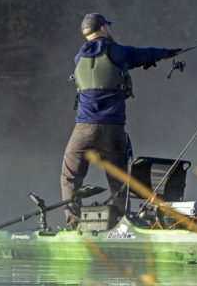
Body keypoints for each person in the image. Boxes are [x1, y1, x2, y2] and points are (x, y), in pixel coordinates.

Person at [60, 13, 182, 228]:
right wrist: (166, 53)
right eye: (108, 25)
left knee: (70, 177)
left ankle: (73, 223)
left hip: (84, 129)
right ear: (103, 28)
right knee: (118, 181)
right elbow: (143, 54)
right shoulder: (119, 51)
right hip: (113, 129)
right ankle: (121, 226)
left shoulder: (78, 57)